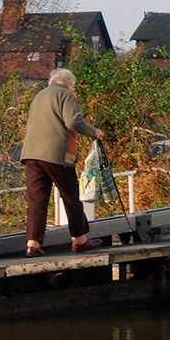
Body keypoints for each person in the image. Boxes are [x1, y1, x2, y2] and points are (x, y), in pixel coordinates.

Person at [20, 68, 104, 257]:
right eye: (73, 87)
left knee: (37, 200)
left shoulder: (39, 96)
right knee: (71, 196)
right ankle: (79, 240)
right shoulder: (65, 95)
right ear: (68, 84)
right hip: (56, 155)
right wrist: (94, 132)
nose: (73, 90)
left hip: (31, 154)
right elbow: (74, 121)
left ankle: (32, 244)